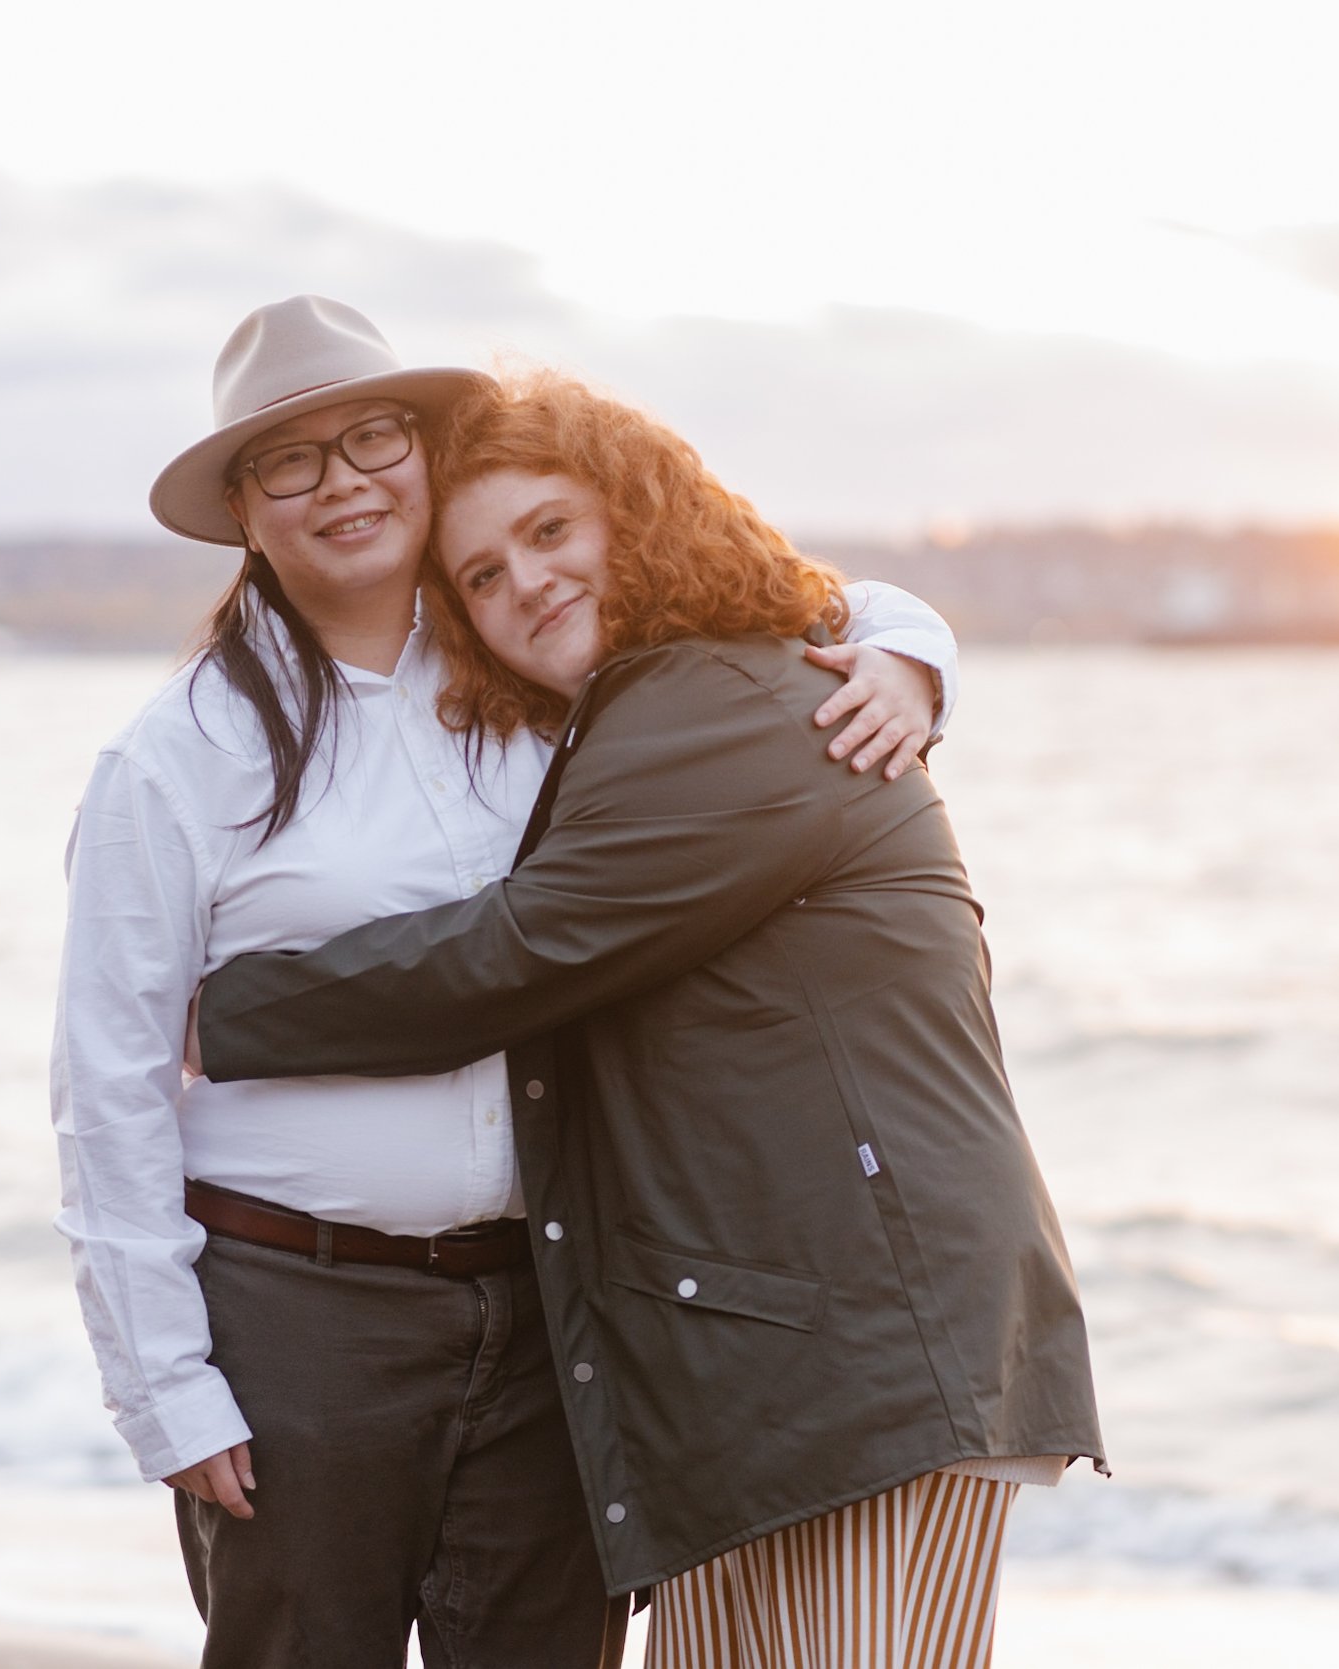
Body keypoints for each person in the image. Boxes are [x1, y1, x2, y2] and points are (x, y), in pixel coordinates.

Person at [51, 297, 966, 1668]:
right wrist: (162, 1386)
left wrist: (910, 649)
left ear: (425, 453)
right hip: (303, 1319)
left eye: (373, 437)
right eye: (290, 461)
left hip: (558, 1314)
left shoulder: (539, 661)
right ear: (246, 507)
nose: (344, 482)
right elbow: (104, 1090)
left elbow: (773, 601)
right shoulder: (176, 757)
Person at [194, 368, 1105, 1669]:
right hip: (792, 1364)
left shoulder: (722, 707)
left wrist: (228, 1008)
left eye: (552, 532)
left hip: (876, 1361)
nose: (529, 587)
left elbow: (513, 953)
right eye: (488, 577)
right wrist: (913, 641)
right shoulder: (670, 699)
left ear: (639, 511)